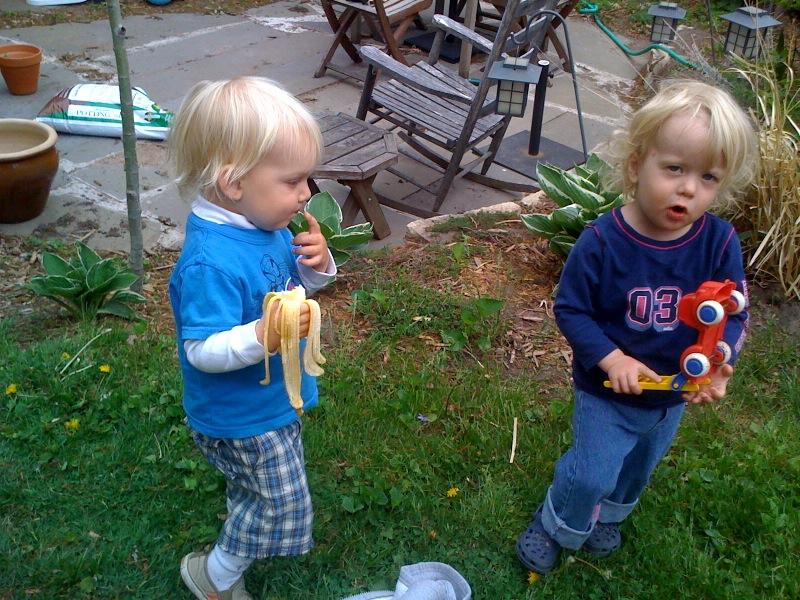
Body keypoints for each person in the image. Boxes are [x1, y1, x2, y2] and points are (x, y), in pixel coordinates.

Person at [515, 80, 758, 574]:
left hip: (672, 391)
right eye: (674, 169)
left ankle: (609, 515)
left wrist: (720, 361)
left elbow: (732, 312)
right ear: (635, 165)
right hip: (608, 391)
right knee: (591, 472)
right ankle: (559, 522)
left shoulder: (717, 242)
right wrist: (612, 359)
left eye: (708, 177)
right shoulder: (603, 242)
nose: (689, 188)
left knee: (636, 468)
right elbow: (572, 310)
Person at [168, 76, 336, 599]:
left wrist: (317, 265)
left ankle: (243, 504)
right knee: (280, 504)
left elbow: (289, 286)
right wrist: (265, 334)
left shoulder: (262, 225)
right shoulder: (210, 263)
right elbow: (201, 351)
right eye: (293, 181)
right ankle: (214, 576)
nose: (306, 194)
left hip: (268, 403)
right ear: (234, 182)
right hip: (240, 417)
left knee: (260, 488)